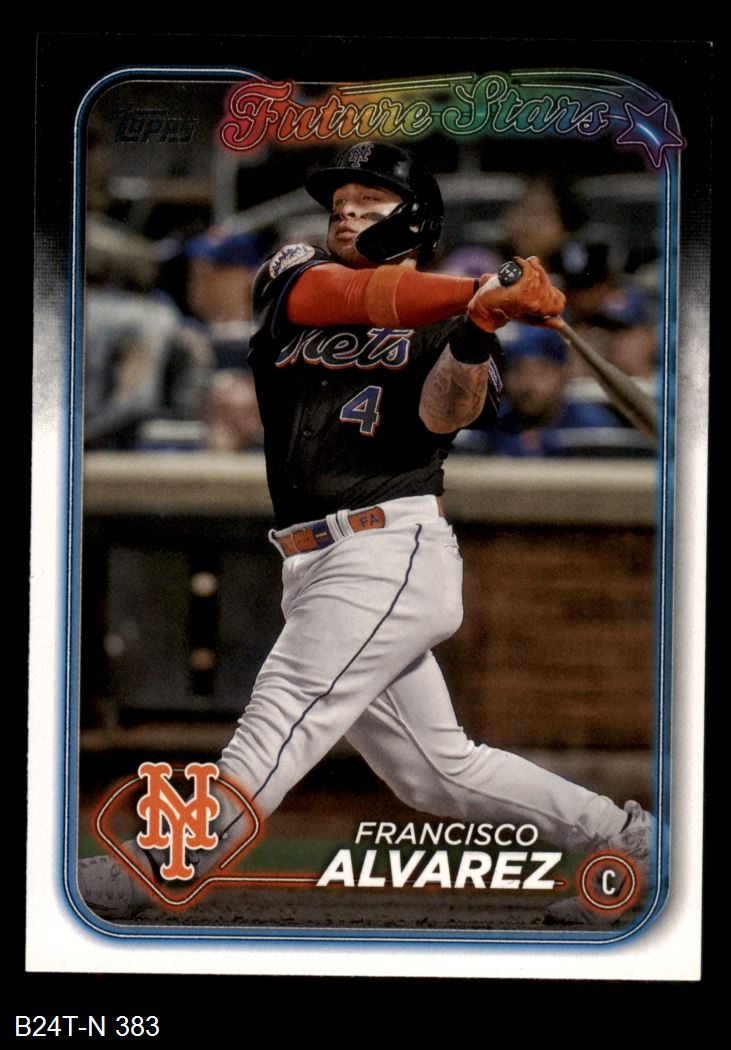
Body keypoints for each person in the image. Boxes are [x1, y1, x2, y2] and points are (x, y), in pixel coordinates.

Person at [79, 143, 654, 926]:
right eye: (339, 204)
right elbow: (339, 296)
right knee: (437, 773)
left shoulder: (454, 321)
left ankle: (158, 862)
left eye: (369, 203)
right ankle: (631, 842)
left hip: (388, 547)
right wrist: (478, 291)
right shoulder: (293, 272)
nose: (345, 213)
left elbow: (444, 414)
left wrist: (477, 326)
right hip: (315, 559)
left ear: (414, 220)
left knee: (283, 708)